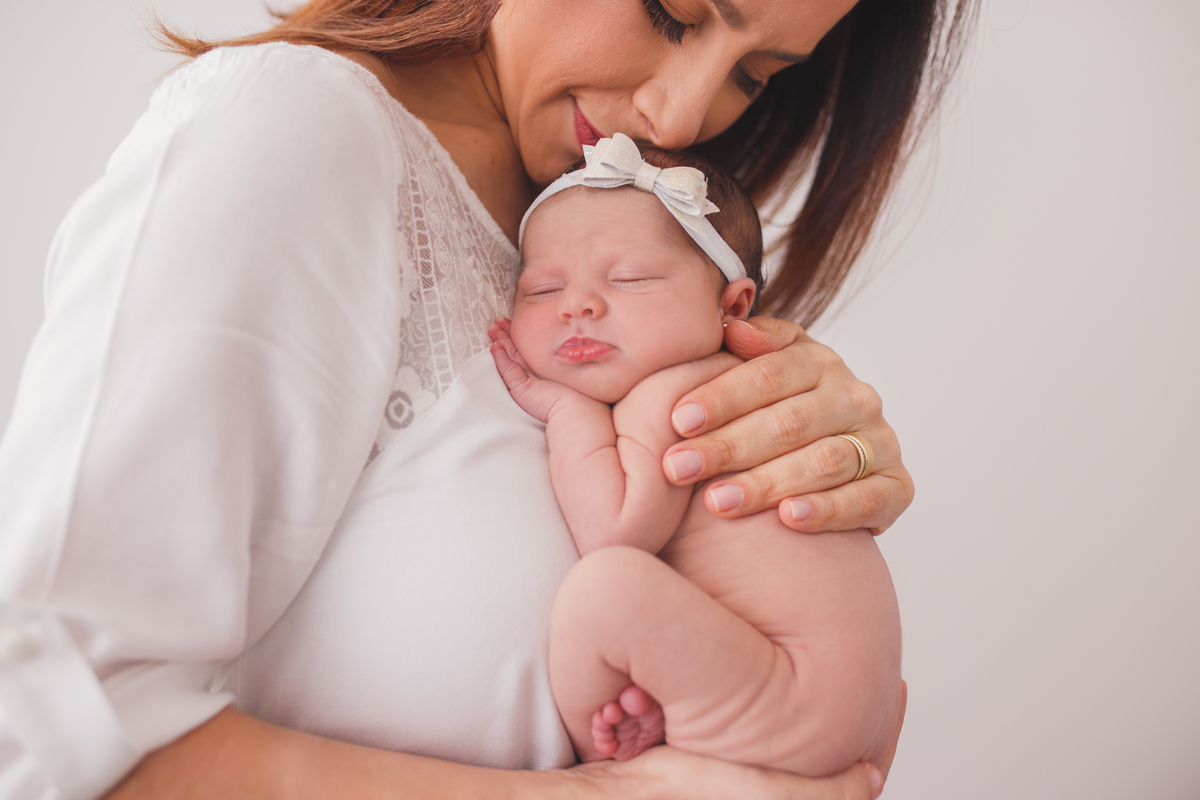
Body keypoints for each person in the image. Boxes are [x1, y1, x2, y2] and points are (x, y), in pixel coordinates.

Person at [0, 0, 975, 798]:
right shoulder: (296, 130)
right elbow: (34, 721)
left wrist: (811, 463)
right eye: (674, 14)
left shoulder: (584, 238)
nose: (679, 117)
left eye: (754, 76)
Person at [489, 134, 902, 775]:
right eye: (541, 291)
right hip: (830, 693)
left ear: (731, 305)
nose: (577, 306)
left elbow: (613, 531)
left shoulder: (679, 396)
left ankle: (615, 772)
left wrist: (565, 410)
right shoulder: (721, 385)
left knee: (602, 590)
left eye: (629, 279)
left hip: (794, 688)